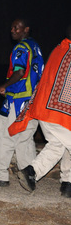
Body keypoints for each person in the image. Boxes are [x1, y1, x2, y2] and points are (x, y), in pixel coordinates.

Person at [0, 19, 44, 187]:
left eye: (17, 27)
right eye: (12, 27)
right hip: (31, 99)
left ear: (26, 29)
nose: (13, 30)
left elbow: (20, 71)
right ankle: (23, 175)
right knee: (15, 136)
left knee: (11, 136)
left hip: (18, 98)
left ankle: (8, 175)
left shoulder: (21, 47)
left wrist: (4, 85)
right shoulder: (35, 46)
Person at [9, 26, 71, 197]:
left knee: (59, 145)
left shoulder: (59, 50)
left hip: (44, 109)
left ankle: (33, 173)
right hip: (58, 112)